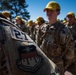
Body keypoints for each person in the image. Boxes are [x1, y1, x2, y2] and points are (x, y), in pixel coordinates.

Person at [40, 1, 75, 75]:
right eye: (47, 10)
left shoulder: (64, 30)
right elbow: (38, 43)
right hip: (43, 63)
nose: (48, 13)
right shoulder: (42, 27)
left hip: (57, 67)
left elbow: (70, 52)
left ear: (58, 13)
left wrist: (62, 65)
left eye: (51, 10)